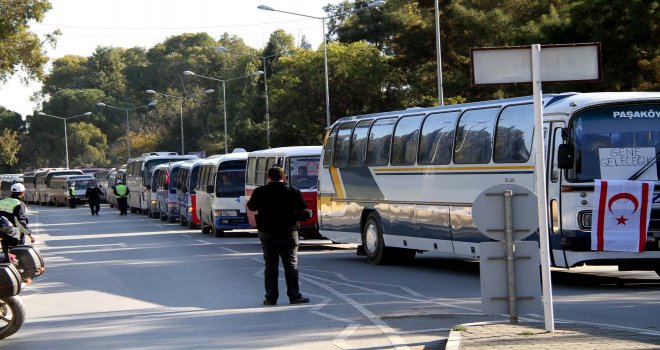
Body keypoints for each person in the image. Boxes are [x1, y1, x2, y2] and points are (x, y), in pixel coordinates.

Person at [246, 166, 312, 306]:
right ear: (284, 177)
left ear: (268, 177)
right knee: (291, 266)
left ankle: (271, 298)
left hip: (268, 234)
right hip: (289, 234)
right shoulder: (293, 192)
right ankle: (294, 296)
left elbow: (251, 207)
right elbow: (302, 210)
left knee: (270, 267)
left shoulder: (260, 191)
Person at [0, 183, 36, 262]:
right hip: (14, 234)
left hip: (1, 232)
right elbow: (20, 222)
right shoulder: (18, 204)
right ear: (23, 193)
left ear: (11, 192)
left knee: (5, 252)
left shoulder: (2, 202)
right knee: (17, 254)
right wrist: (30, 235)